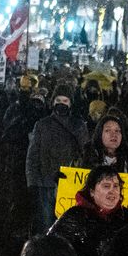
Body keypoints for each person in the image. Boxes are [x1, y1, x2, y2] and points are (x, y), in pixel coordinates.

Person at [24, 84, 89, 233]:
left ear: (71, 103)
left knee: (67, 227)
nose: (61, 103)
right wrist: (32, 182)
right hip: (45, 183)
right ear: (53, 102)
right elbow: (32, 155)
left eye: (65, 100)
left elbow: (86, 154)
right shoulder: (42, 125)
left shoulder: (79, 126)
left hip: (70, 185)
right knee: (46, 225)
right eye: (58, 100)